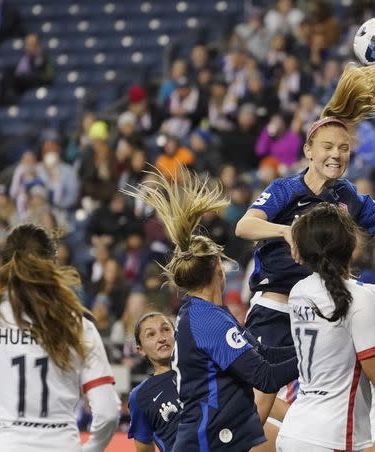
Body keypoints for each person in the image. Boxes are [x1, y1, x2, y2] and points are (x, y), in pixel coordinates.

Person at [235, 63, 375, 429]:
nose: (336, 155)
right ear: (308, 150)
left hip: (327, 304)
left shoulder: (347, 195)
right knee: (261, 398)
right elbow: (244, 225)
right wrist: (285, 232)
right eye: (327, 146)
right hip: (277, 308)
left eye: (344, 149)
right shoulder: (285, 190)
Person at [124, 167, 299, 451]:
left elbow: (262, 352)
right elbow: (266, 377)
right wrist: (317, 356)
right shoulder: (207, 321)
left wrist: (309, 347)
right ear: (218, 268)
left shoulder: (205, 313)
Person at [0, 224, 120, 451]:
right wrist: (90, 449)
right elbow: (107, 413)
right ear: (53, 264)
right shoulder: (77, 324)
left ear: (2, 264)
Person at [276, 203, 375, 452]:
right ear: (351, 244)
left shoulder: (299, 292)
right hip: (334, 436)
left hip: (295, 431)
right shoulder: (359, 299)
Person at [127, 312, 182, 452]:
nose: (162, 338)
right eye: (151, 334)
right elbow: (144, 448)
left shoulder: (202, 369)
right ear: (141, 350)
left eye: (166, 329)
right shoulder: (140, 397)